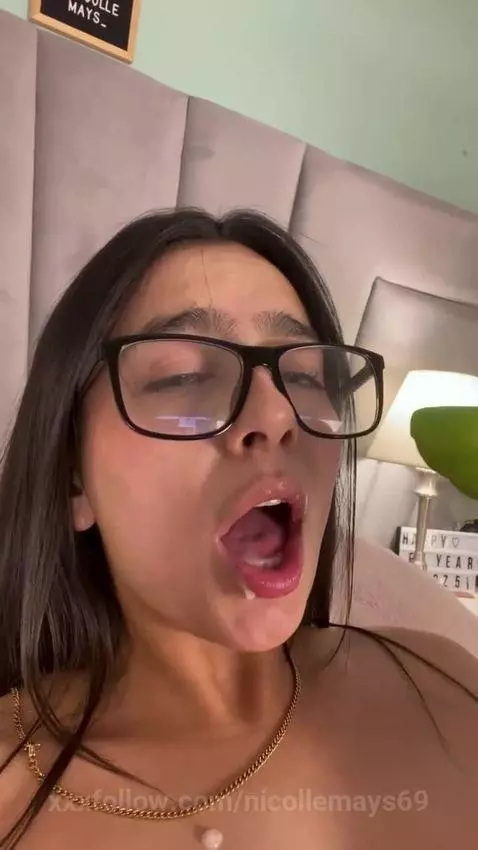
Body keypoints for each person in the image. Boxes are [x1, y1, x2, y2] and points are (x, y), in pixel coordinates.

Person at [0, 208, 476, 850]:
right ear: (73, 480)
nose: (278, 413)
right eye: (184, 376)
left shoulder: (448, 684)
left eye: (305, 377)